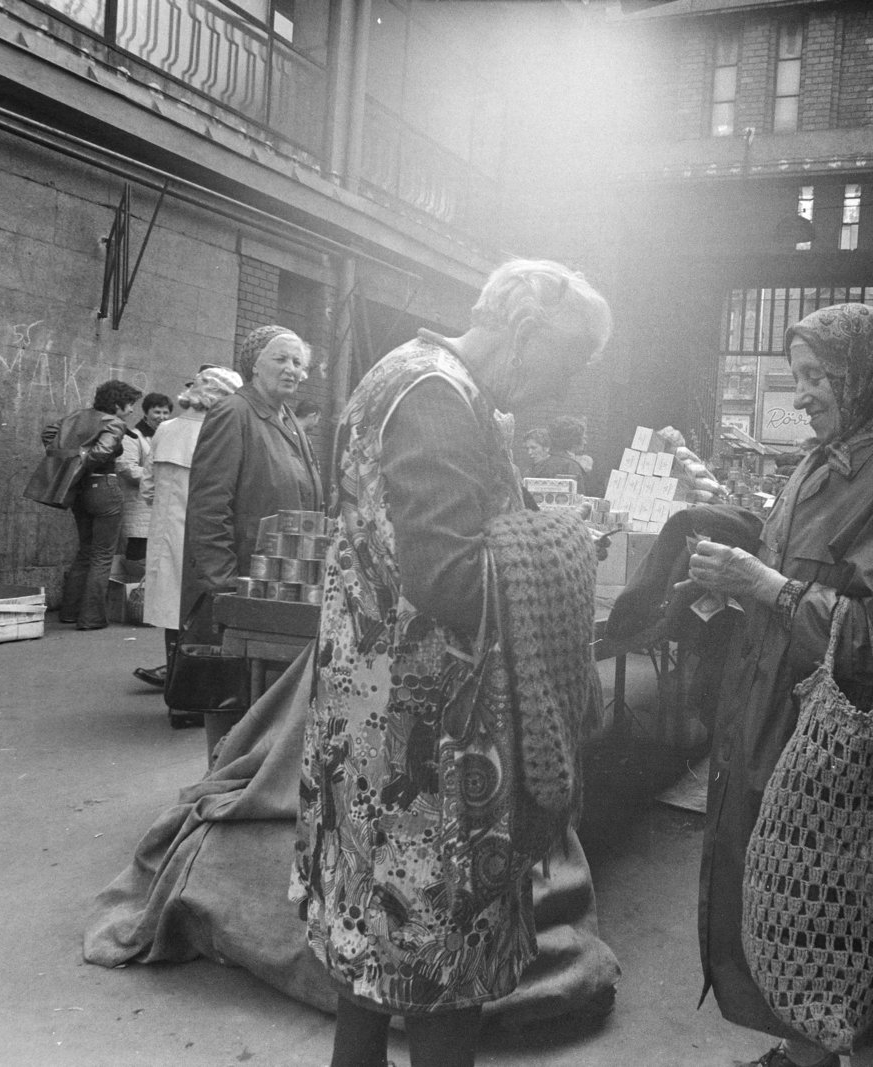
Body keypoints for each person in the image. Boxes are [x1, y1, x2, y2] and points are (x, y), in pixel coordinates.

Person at [292, 258, 613, 1067]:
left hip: (372, 716)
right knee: (440, 957)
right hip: (424, 741)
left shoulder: (412, 374)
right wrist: (564, 545)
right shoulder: (438, 395)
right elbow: (448, 576)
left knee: (371, 943)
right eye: (565, 362)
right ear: (526, 329)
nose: (561, 386)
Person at [686, 304, 873, 1067]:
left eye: (816, 376)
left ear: (867, 373)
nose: (800, 393)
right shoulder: (815, 462)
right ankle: (803, 1054)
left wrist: (762, 584)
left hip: (856, 743)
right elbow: (793, 570)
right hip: (779, 718)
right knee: (796, 902)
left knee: (859, 909)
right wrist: (731, 562)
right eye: (796, 375)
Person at [181, 327, 322, 646]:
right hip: (245, 586)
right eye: (281, 358)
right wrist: (224, 585)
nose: (292, 368)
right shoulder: (233, 412)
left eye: (298, 363)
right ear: (254, 365)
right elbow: (208, 506)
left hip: (280, 583)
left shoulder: (290, 421)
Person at [131, 369, 241, 705]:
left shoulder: (165, 429)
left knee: (171, 611)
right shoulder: (219, 433)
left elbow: (147, 486)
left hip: (164, 533)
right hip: (203, 536)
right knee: (202, 611)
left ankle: (173, 678)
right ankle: (195, 685)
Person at [45, 380, 141, 630]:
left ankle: (69, 612)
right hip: (105, 488)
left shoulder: (79, 415)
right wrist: (84, 460)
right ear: (117, 404)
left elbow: (48, 433)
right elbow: (100, 453)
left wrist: (71, 463)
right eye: (129, 405)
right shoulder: (114, 422)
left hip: (79, 490)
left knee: (86, 551)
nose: (131, 410)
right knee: (101, 555)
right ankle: (92, 617)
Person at [117, 392, 173, 577]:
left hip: (161, 509)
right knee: (138, 559)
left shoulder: (168, 435)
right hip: (140, 509)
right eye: (157, 412)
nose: (162, 417)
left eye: (166, 413)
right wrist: (163, 477)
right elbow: (127, 469)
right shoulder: (133, 436)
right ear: (146, 412)